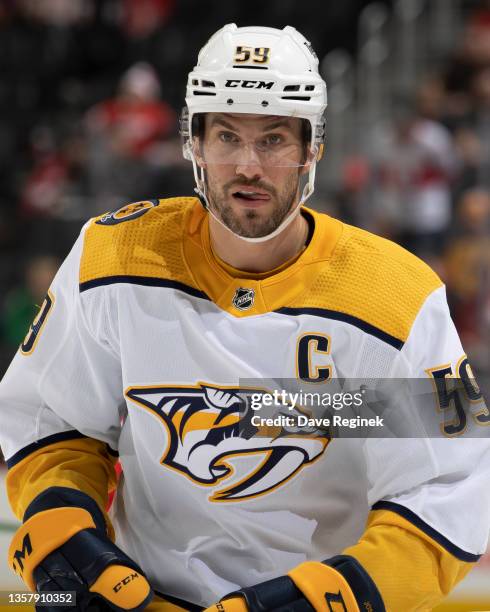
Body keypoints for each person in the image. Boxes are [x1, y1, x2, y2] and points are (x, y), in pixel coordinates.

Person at [0, 23, 489, 612]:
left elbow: (448, 493)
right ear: (194, 144)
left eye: (275, 139)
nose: (248, 166)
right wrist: (63, 531)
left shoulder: (392, 298)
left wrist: (315, 600)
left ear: (314, 148)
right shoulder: (115, 257)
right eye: (227, 135)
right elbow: (53, 419)